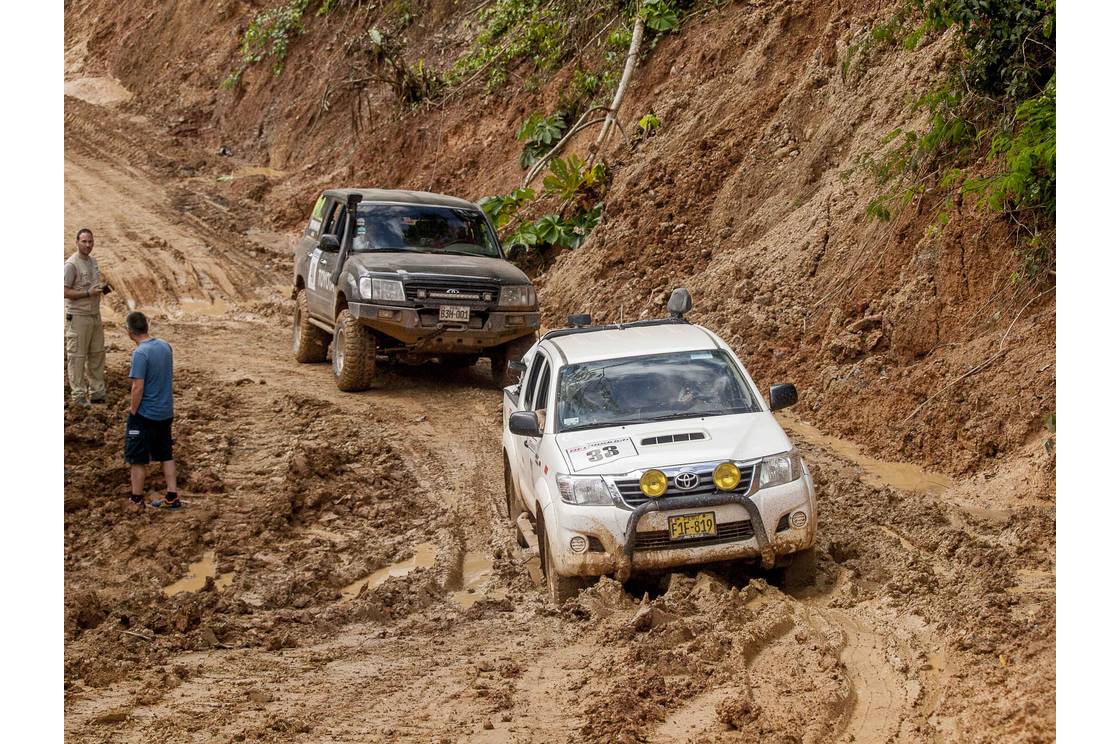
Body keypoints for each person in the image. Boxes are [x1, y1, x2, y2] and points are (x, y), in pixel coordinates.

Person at [124, 311, 180, 510]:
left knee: (137, 458)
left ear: (130, 332)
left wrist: (133, 410)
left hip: (145, 414)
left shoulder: (140, 353)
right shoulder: (165, 346)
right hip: (166, 411)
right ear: (146, 326)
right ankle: (172, 496)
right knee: (166, 454)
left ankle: (137, 499)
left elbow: (138, 387)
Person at [63, 228, 108, 406]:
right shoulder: (71, 264)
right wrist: (87, 293)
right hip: (78, 316)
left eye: (90, 242)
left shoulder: (93, 262)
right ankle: (79, 396)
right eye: (84, 242)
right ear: (77, 242)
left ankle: (97, 393)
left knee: (97, 354)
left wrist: (100, 289)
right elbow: (63, 290)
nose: (88, 245)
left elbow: (92, 284)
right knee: (77, 356)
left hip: (94, 315)